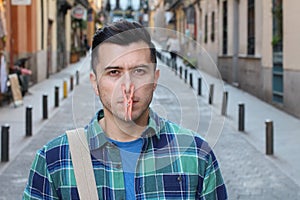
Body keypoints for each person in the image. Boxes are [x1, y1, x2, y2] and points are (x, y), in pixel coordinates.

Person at [23, 20, 227, 199]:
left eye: (139, 71)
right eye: (114, 72)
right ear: (94, 83)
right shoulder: (54, 161)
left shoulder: (197, 155)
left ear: (155, 79)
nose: (128, 86)